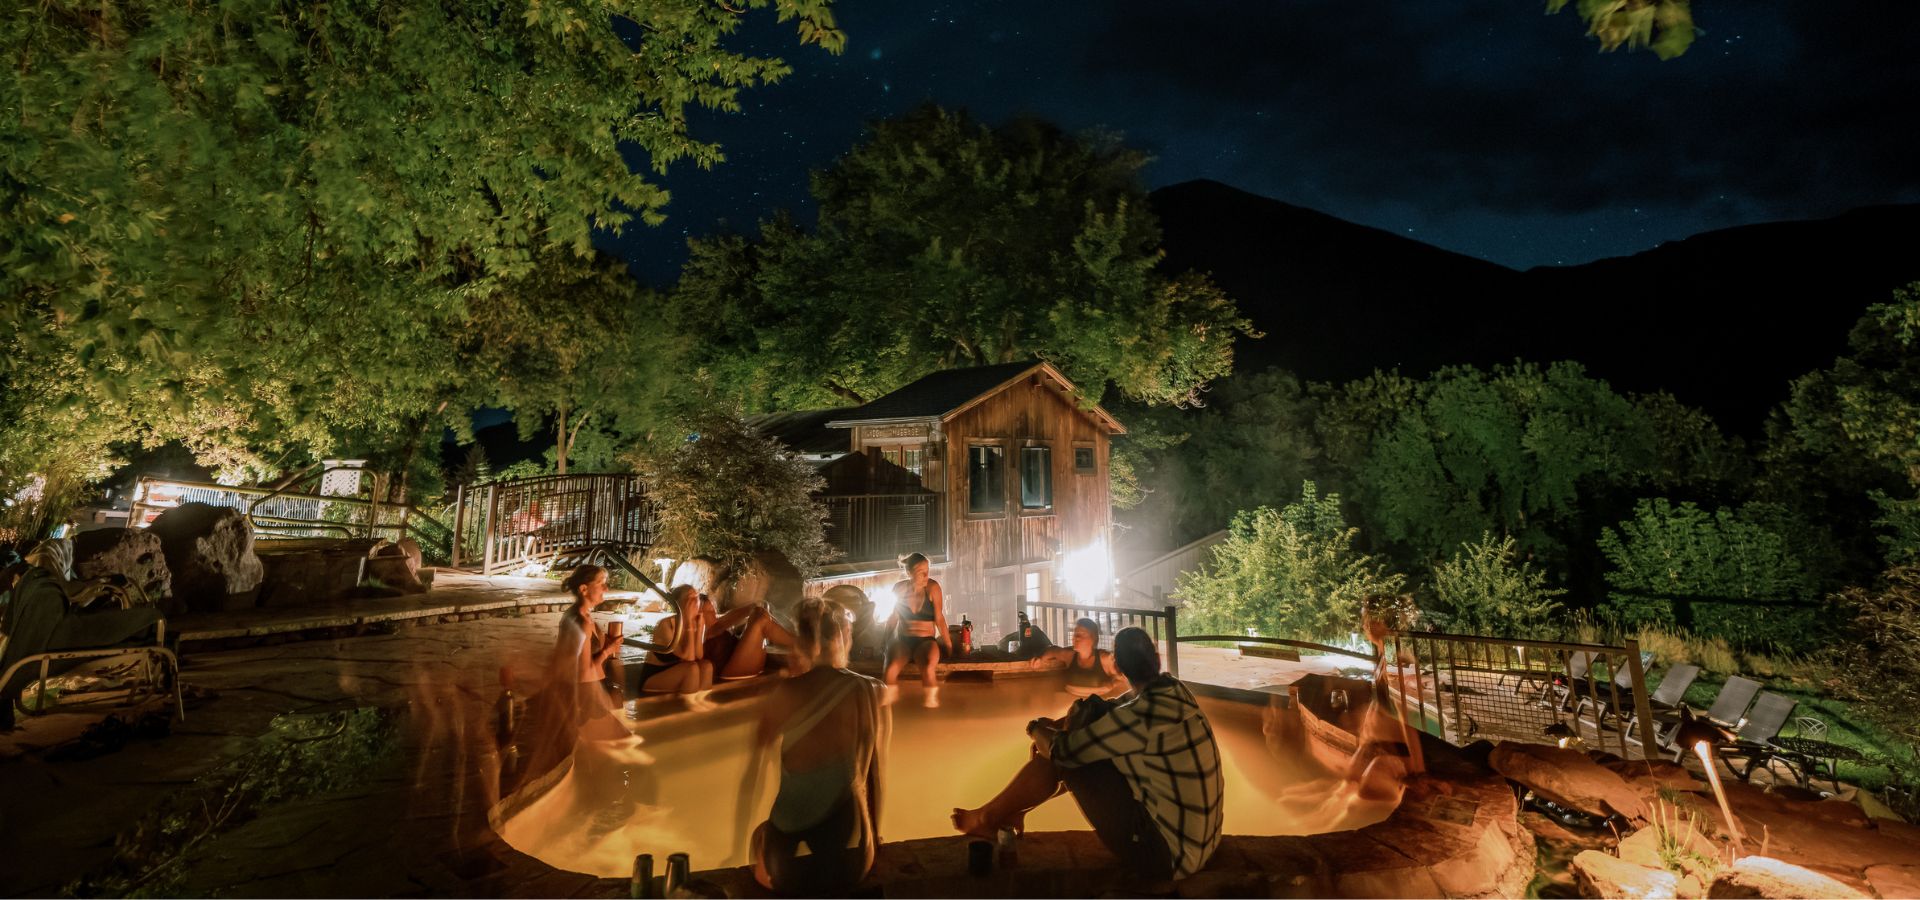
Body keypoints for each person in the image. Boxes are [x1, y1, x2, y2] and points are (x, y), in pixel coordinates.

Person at [951, 627, 1223, 882]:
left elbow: (1064, 753)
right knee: (1086, 725)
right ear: (1157, 658)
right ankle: (1010, 812)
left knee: (1069, 755)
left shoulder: (1141, 715)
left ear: (1118, 666)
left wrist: (1035, 729)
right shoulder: (1174, 690)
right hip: (1202, 845)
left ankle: (989, 818)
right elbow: (1111, 709)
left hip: (1164, 856)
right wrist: (1057, 725)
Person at [750, 597, 890, 896]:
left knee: (760, 835)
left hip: (783, 868)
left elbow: (756, 763)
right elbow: (872, 774)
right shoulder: (868, 689)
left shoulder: (785, 692)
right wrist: (875, 838)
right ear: (841, 637)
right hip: (849, 861)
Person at [552, 566, 624, 723]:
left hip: (589, 688)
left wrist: (607, 647)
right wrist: (607, 651)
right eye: (600, 583)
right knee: (626, 743)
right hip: (582, 694)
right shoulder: (581, 622)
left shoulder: (584, 617)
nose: (606, 588)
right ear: (584, 589)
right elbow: (583, 673)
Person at [881, 552, 949, 708]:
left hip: (926, 642)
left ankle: (931, 705)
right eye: (921, 572)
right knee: (890, 669)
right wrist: (884, 642)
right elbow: (893, 618)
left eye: (927, 571)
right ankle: (888, 707)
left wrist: (949, 645)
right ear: (909, 573)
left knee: (927, 667)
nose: (926, 575)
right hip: (904, 640)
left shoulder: (933, 588)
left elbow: (939, 619)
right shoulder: (899, 589)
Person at [693, 592, 801, 680]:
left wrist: (756, 607)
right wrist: (755, 610)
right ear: (698, 615)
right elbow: (724, 622)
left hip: (740, 662)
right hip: (730, 672)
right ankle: (802, 645)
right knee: (760, 620)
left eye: (713, 609)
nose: (713, 613)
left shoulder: (716, 623)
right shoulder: (700, 633)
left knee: (759, 613)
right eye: (709, 611)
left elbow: (739, 613)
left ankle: (799, 644)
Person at [634, 585, 715, 702]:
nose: (694, 602)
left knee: (707, 666)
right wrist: (688, 624)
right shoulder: (666, 625)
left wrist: (696, 626)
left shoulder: (698, 621)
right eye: (689, 598)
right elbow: (689, 658)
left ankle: (703, 701)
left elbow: (699, 655)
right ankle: (690, 707)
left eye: (696, 597)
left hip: (678, 672)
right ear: (678, 604)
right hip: (653, 678)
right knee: (692, 669)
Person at [1029, 617, 1121, 697]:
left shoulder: (1104, 659)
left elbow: (1124, 677)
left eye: (1080, 634)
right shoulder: (1070, 656)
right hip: (1070, 705)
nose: (1075, 638)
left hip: (1098, 708)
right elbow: (1053, 650)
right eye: (1075, 634)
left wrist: (1111, 685)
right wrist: (1040, 659)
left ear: (1093, 638)